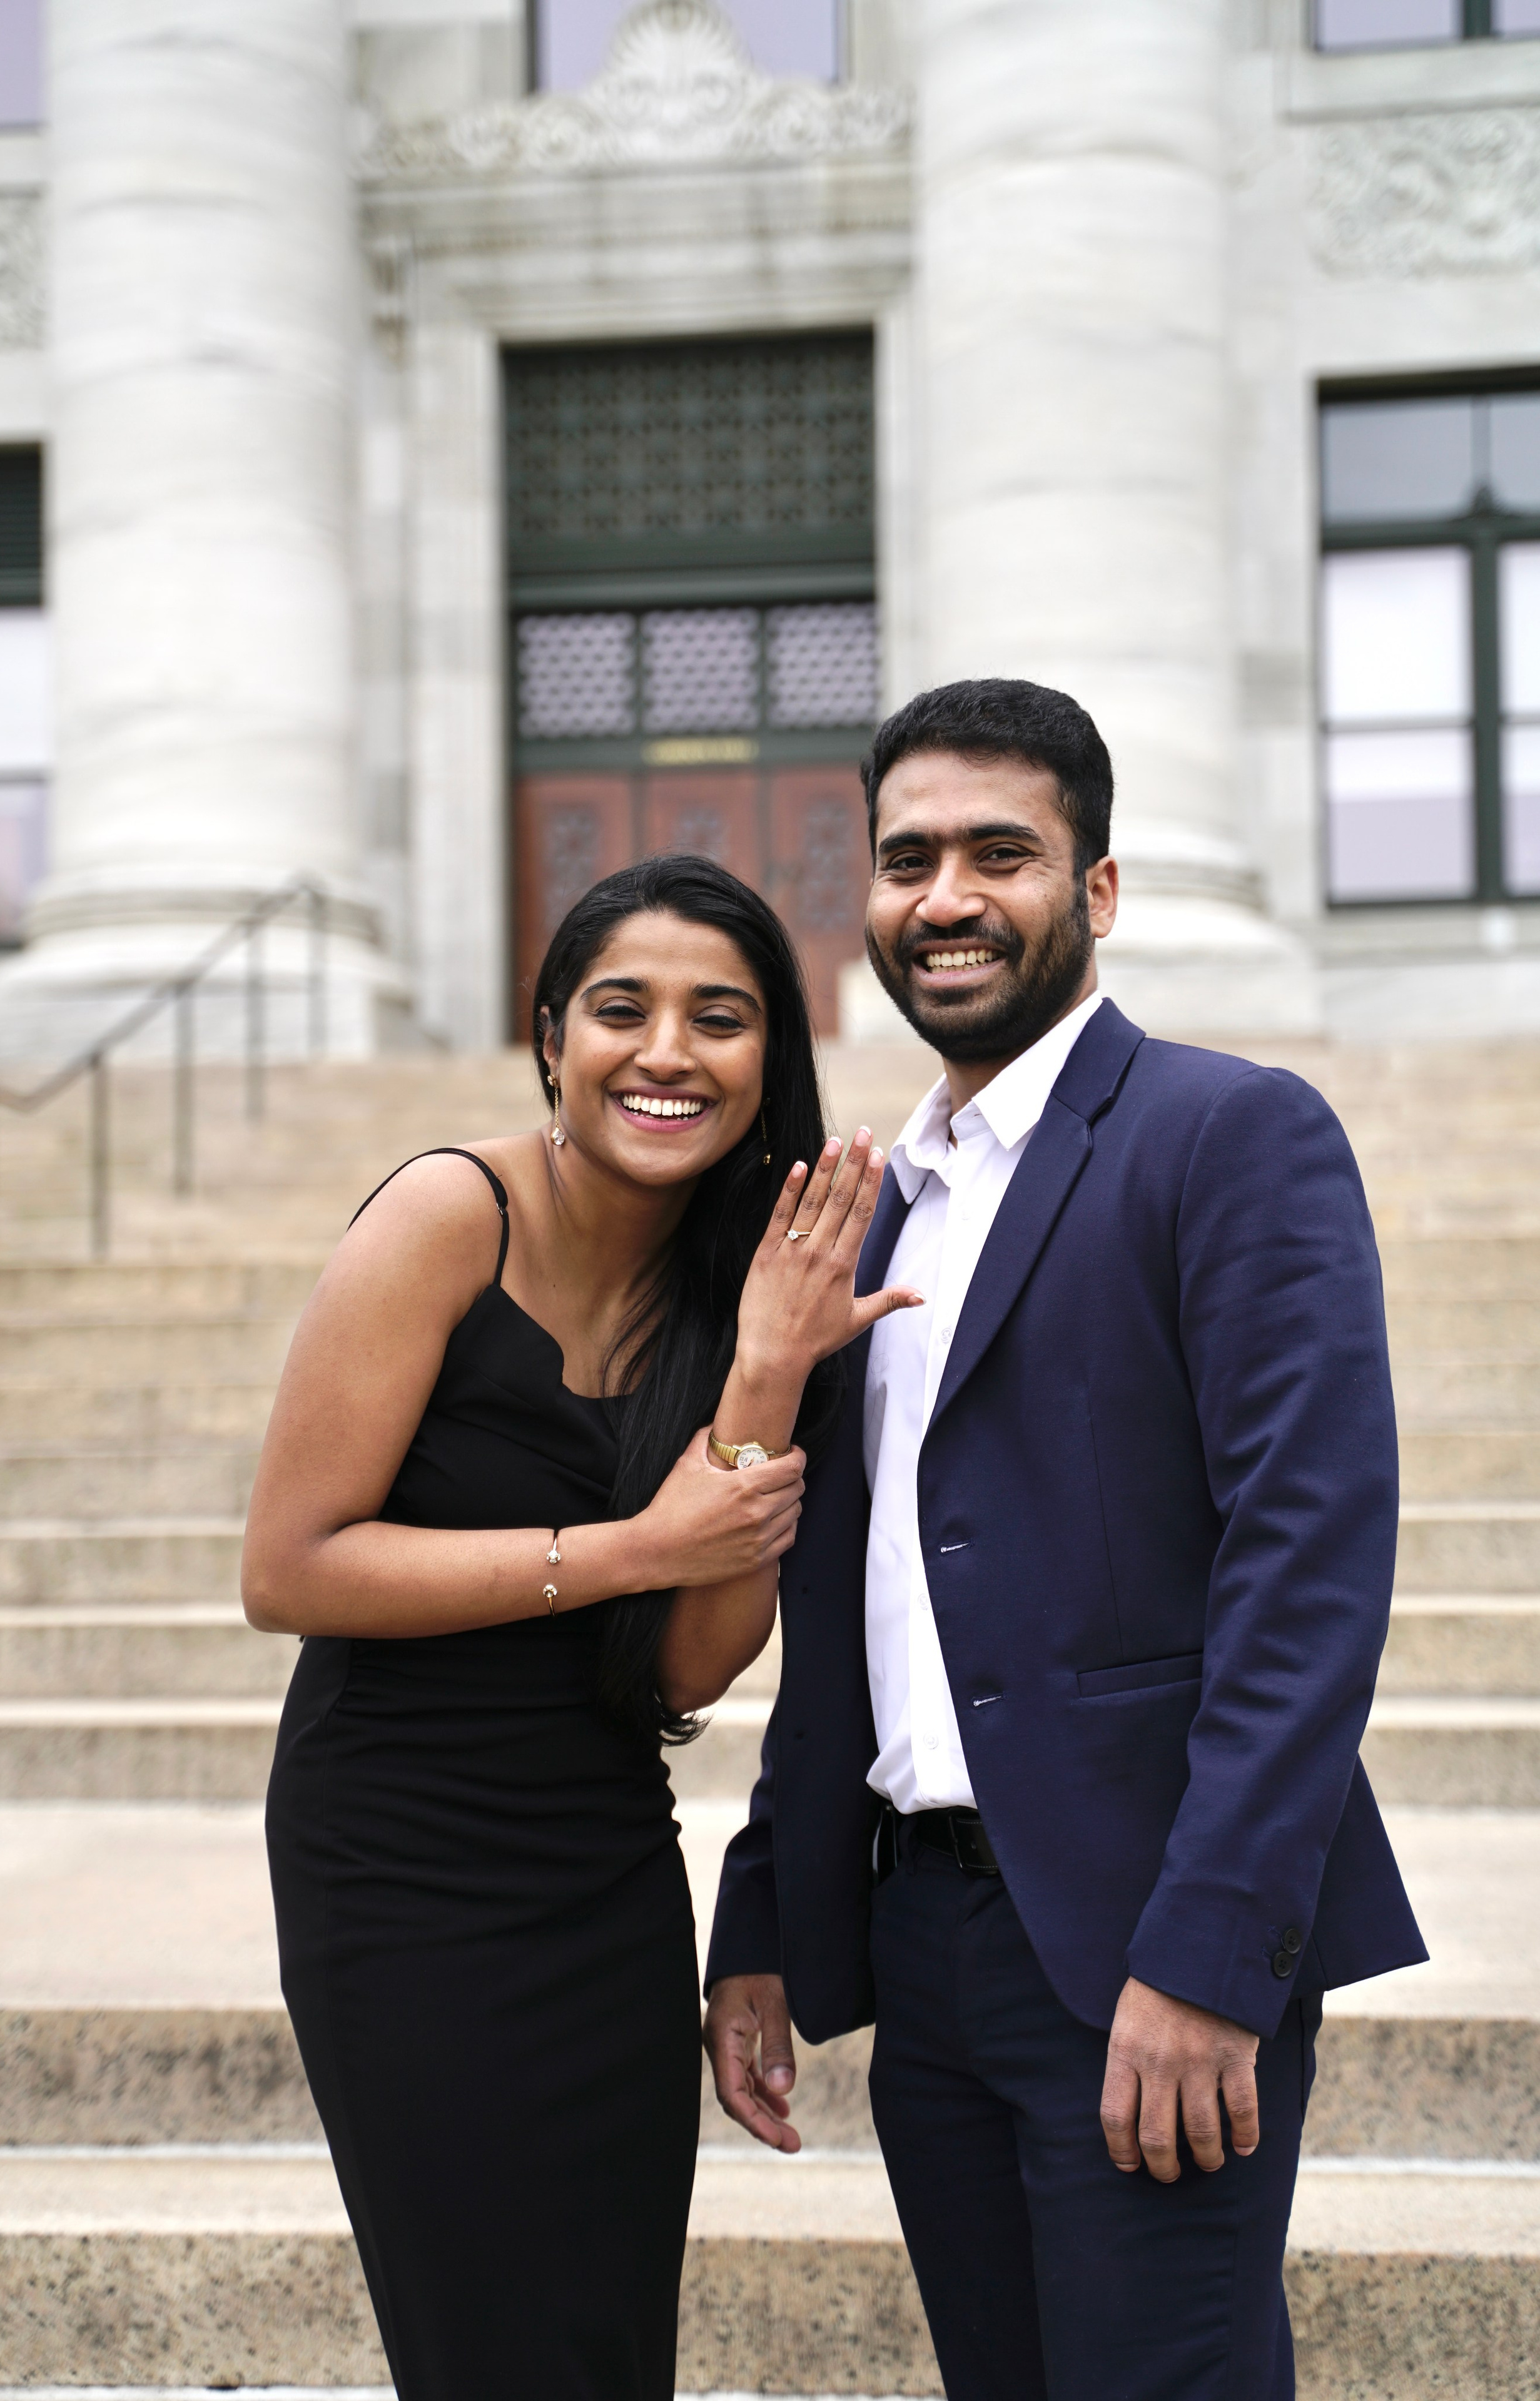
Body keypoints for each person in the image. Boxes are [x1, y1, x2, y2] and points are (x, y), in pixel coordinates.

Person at [703, 679, 1427, 2401]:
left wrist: (1207, 1949)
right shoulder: (868, 1202)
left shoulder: (1228, 1131)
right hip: (922, 1937)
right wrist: (765, 1902)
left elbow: (1307, 1563)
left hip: (1139, 1932)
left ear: (1094, 891)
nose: (944, 895)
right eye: (904, 858)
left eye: (997, 852)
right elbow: (850, 1588)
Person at [244, 853, 918, 2401]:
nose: (667, 1051)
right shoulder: (443, 1213)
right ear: (552, 1034)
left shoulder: (769, 1282)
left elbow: (686, 1662)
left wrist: (760, 1371)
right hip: (398, 1864)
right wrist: (627, 1544)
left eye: (720, 1018)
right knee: (487, 2342)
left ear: (773, 1058)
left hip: (604, 1870)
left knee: (606, 2343)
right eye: (622, 1007)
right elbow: (288, 1567)